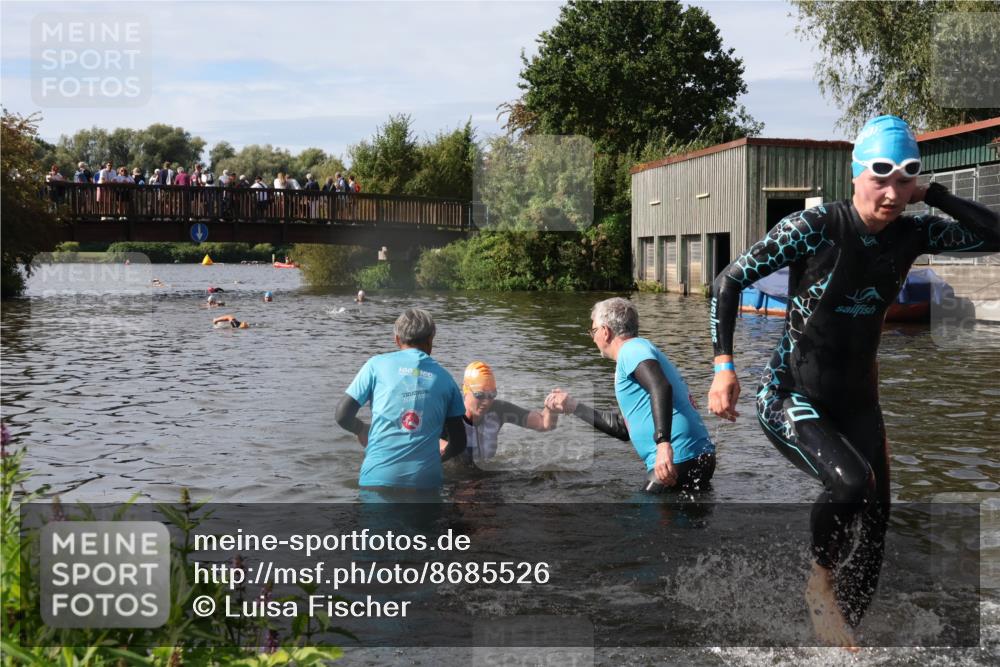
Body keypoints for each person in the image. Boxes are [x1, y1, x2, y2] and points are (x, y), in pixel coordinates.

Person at [707, 114, 1000, 650]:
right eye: (880, 178)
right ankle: (819, 584)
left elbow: (997, 235)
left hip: (859, 402)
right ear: (855, 176)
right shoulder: (814, 228)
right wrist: (724, 366)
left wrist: (934, 193)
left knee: (877, 528)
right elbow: (728, 282)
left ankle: (846, 644)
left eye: (904, 180)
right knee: (849, 485)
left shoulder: (915, 230)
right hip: (791, 394)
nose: (891, 194)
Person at [545, 297, 715, 493]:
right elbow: (623, 429)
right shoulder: (637, 353)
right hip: (694, 456)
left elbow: (660, 387)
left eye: (593, 331)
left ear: (605, 331)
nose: (593, 338)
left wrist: (663, 444)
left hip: (677, 456)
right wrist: (574, 407)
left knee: (638, 519)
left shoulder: (632, 350)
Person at [335, 309, 467, 490]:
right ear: (430, 341)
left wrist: (362, 429)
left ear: (397, 339)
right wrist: (439, 459)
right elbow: (459, 443)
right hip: (425, 482)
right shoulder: (446, 379)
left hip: (376, 478)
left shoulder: (375, 365)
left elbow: (342, 416)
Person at [439, 361, 557, 465]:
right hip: (456, 481)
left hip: (486, 479)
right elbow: (423, 437)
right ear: (465, 391)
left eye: (492, 395)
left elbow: (544, 424)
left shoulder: (499, 410)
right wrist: (443, 446)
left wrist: (551, 408)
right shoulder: (448, 416)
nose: (486, 402)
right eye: (480, 395)